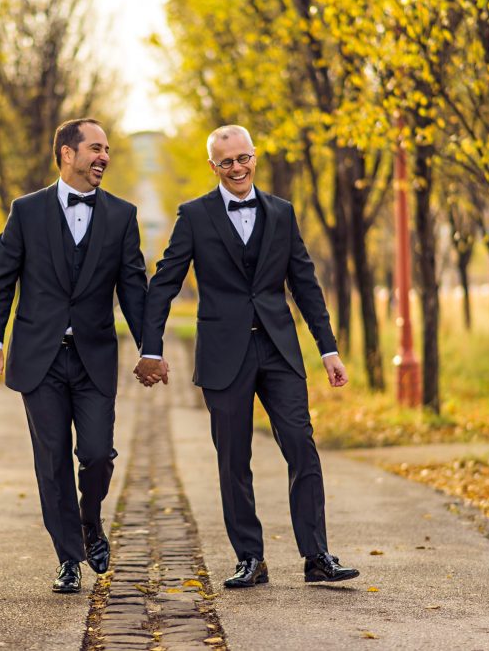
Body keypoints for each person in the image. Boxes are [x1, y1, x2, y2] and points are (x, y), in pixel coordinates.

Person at [134, 125, 359, 588]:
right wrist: (151, 347)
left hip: (279, 349)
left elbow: (305, 284)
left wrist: (328, 349)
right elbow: (165, 283)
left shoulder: (282, 212)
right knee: (233, 460)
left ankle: (317, 556)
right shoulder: (194, 215)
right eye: (227, 162)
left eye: (243, 158)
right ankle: (250, 559)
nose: (237, 168)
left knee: (301, 445)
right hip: (223, 354)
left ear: (254, 157)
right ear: (213, 167)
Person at [0, 118, 148, 594]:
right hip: (40, 357)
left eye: (108, 150)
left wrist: (149, 348)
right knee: (51, 461)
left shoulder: (122, 215)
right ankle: (68, 558)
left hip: (94, 356)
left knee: (96, 454)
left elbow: (134, 290)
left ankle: (90, 519)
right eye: (95, 148)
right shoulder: (26, 211)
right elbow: (1, 279)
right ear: (66, 154)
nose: (104, 157)